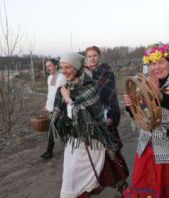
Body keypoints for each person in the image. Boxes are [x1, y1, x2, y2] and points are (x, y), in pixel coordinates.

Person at [123, 43, 169, 198]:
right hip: (147, 148)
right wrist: (130, 106)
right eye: (152, 63)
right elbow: (139, 114)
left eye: (161, 62)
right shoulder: (143, 83)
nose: (156, 67)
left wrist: (160, 96)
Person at [48, 52, 118, 198]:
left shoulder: (89, 87)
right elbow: (65, 115)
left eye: (68, 67)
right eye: (62, 67)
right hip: (74, 140)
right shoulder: (66, 86)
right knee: (70, 178)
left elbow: (84, 117)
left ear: (77, 67)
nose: (64, 71)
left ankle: (120, 187)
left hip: (90, 141)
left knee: (83, 179)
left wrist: (67, 99)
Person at [84, 46, 129, 194]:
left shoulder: (106, 71)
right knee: (95, 154)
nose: (92, 58)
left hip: (105, 116)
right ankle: (93, 185)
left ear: (99, 56)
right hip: (90, 119)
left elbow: (109, 94)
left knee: (112, 151)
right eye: (89, 56)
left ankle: (121, 183)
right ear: (86, 57)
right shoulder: (83, 73)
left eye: (95, 55)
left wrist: (110, 116)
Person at [40, 59, 67, 159]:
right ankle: (49, 151)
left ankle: (67, 150)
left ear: (56, 66)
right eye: (46, 66)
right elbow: (50, 94)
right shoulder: (49, 78)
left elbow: (63, 94)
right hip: (51, 108)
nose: (48, 68)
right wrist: (47, 105)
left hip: (60, 108)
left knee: (61, 129)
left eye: (50, 65)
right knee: (51, 129)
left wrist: (60, 107)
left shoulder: (62, 78)